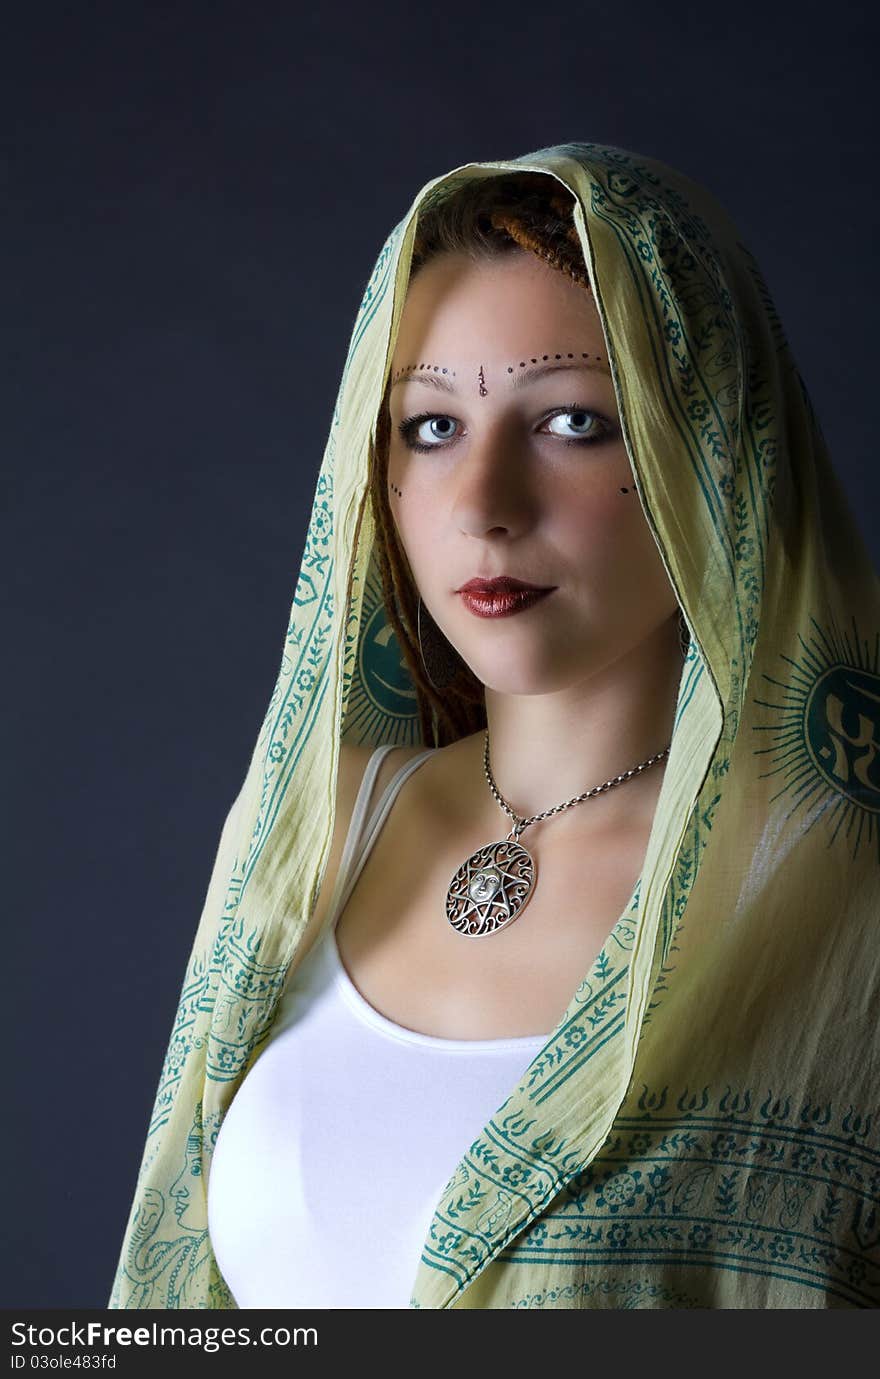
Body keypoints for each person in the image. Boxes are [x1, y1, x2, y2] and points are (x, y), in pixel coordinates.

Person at [108, 142, 880, 1310]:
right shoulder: (313, 833)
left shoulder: (832, 898)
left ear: (712, 454)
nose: (482, 506)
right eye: (428, 428)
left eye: (571, 421)